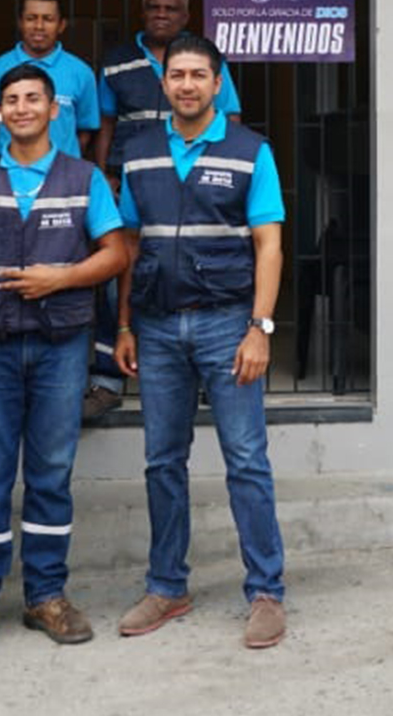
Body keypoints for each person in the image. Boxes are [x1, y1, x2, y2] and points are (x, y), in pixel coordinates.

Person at [0, 63, 129, 660]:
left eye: (33, 99)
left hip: (59, 346)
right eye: (12, 100)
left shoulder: (83, 177)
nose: (22, 108)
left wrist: (62, 279)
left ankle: (46, 594)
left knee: (50, 473)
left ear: (53, 110)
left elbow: (116, 254)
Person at [113, 33, 288, 650]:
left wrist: (260, 328)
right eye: (176, 75)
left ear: (217, 84)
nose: (186, 85)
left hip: (227, 325)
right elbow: (130, 245)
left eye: (197, 75)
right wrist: (125, 325)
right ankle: (167, 586)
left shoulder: (250, 151)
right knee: (163, 461)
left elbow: (270, 244)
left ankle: (266, 591)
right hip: (158, 328)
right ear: (163, 84)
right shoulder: (138, 153)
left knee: (246, 460)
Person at [86, 0, 242, 422]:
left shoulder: (207, 60)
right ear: (142, 11)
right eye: (154, 7)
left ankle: (206, 375)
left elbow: (230, 118)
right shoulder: (117, 62)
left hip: (197, 182)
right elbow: (106, 124)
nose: (161, 14)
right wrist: (105, 174)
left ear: (186, 16)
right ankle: (108, 379)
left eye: (171, 9)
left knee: (198, 269)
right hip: (134, 182)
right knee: (119, 274)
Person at [0, 0, 100, 160]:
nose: (39, 26)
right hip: (8, 171)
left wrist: (66, 161)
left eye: (48, 19)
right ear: (20, 22)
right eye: (31, 18)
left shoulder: (81, 73)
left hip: (64, 172)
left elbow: (85, 131)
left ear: (61, 25)